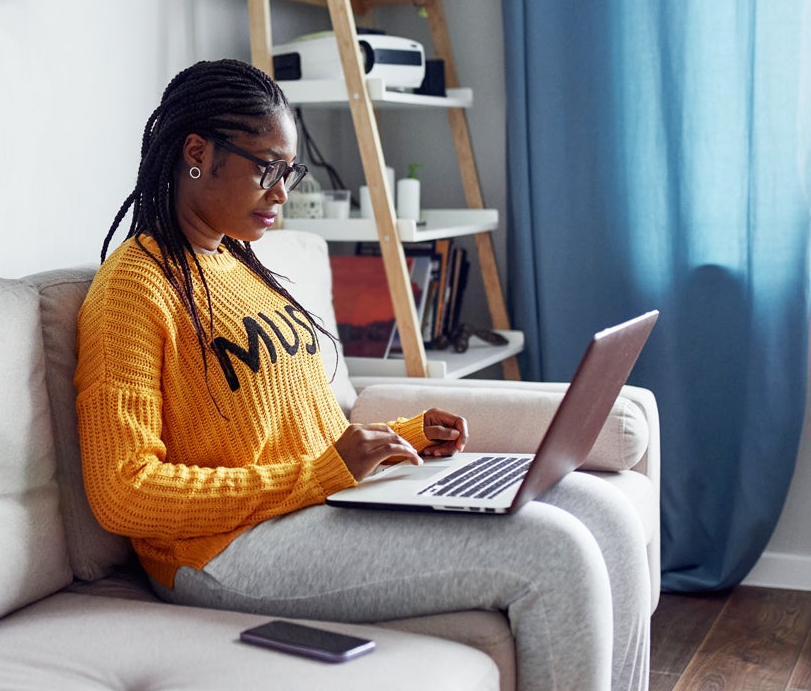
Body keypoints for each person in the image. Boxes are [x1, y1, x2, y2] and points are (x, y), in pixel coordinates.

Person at [73, 58, 649, 691]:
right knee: (555, 552)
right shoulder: (135, 289)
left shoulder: (244, 267)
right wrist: (321, 474)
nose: (282, 192)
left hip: (312, 505)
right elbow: (122, 491)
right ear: (196, 153)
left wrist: (402, 438)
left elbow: (308, 432)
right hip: (219, 549)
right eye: (267, 168)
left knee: (604, 514)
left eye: (287, 172)